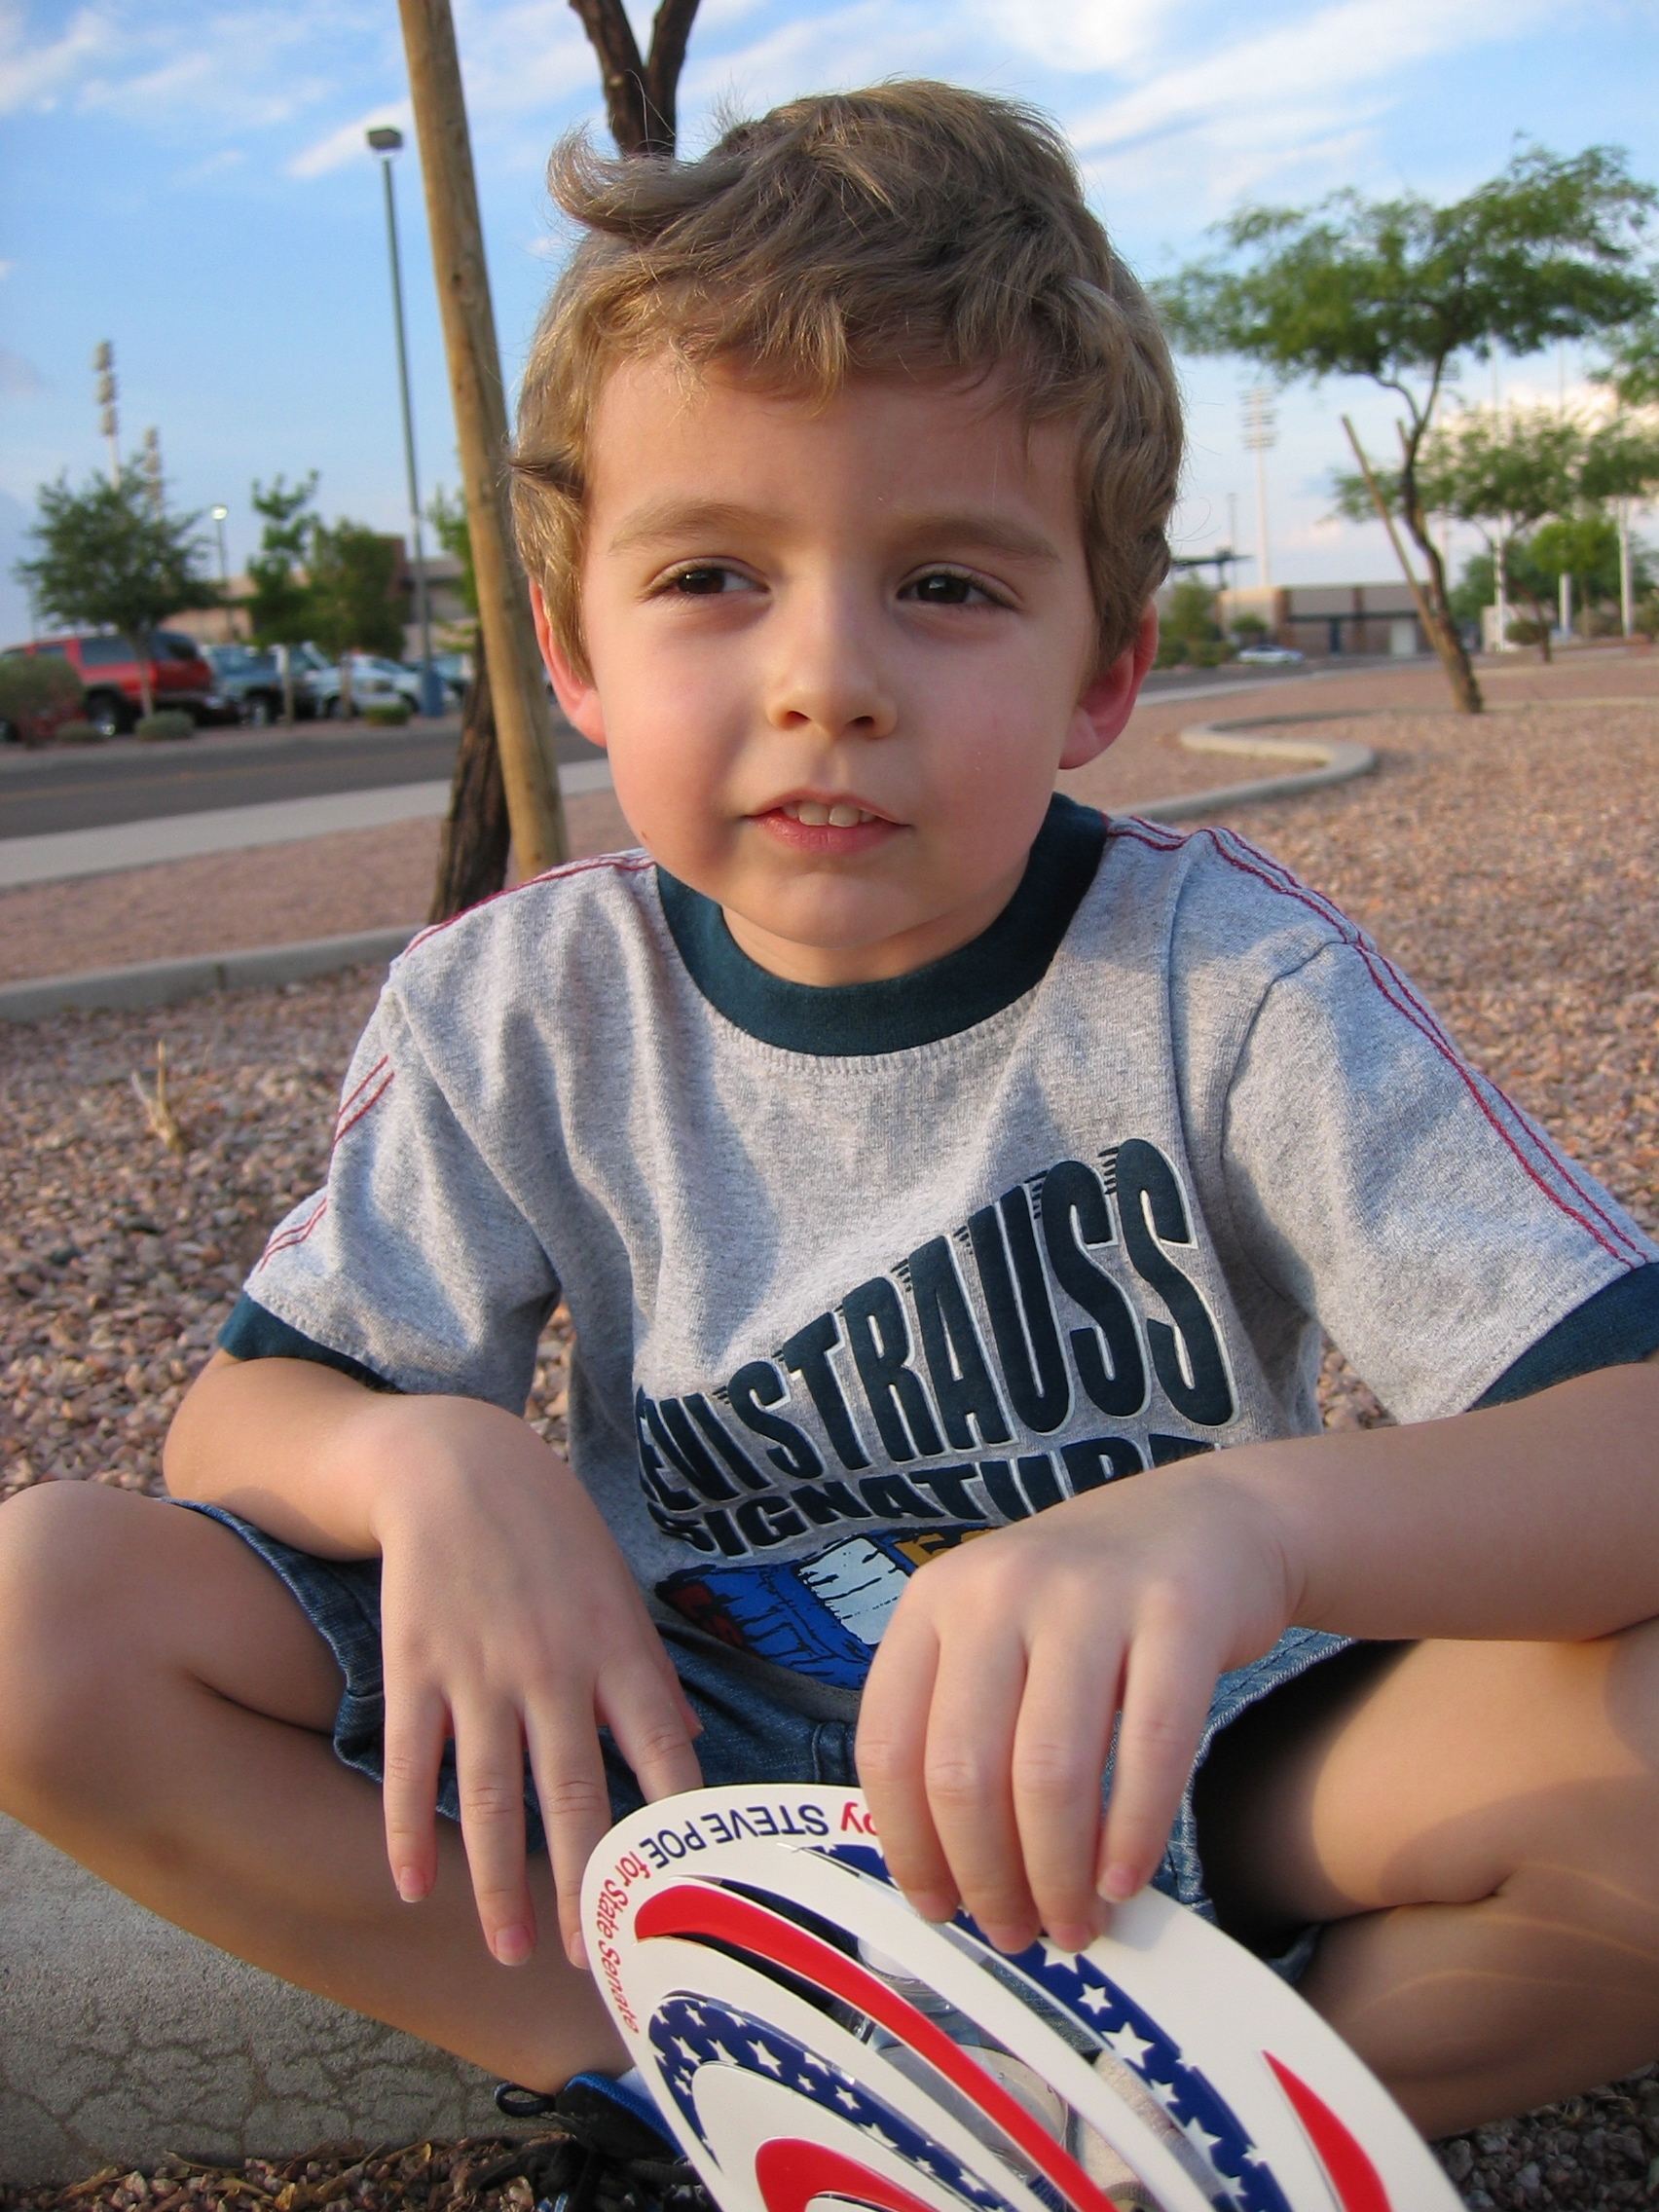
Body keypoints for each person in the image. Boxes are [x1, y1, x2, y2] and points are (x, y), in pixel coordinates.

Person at [1, 83, 1656, 2175]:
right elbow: (235, 1422)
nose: (827, 679)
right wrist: (420, 1458)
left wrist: (1246, 1528)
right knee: (43, 1614)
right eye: (712, 572)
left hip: (1168, 1761)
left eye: (947, 584)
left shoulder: (1229, 980)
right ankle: (684, 2079)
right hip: (678, 1767)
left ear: (1104, 670)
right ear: (572, 646)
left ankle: (1134, 2137)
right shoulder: (520, 1004)